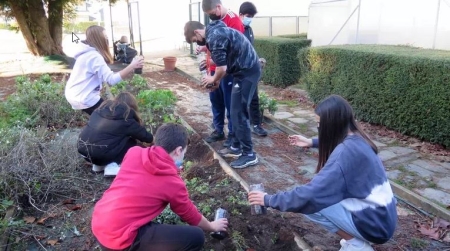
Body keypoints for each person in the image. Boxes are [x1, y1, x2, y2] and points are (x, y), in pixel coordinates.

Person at [248, 95, 398, 251]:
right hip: (382, 216)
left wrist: (269, 200)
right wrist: (311, 142)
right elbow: (336, 139)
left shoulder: (344, 155)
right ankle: (355, 239)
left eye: (320, 124)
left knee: (314, 204)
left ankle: (357, 244)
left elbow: (310, 196)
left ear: (332, 125)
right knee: (320, 198)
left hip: (376, 227)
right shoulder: (358, 138)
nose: (318, 127)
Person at [91, 123, 228, 251]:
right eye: (184, 152)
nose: (183, 156)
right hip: (119, 240)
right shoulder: (172, 182)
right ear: (178, 150)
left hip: (99, 221)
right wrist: (211, 226)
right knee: (197, 236)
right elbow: (189, 214)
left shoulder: (134, 152)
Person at [184, 21, 260, 169]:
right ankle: (237, 147)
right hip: (240, 71)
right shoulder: (214, 31)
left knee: (238, 113)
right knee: (234, 110)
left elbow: (222, 68)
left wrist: (213, 78)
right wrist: (217, 81)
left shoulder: (214, 37)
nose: (198, 43)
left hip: (248, 72)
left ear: (197, 33)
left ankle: (249, 154)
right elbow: (224, 64)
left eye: (195, 40)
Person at [65, 25, 144, 115]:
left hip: (75, 94)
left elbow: (106, 75)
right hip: (83, 97)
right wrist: (132, 66)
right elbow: (111, 79)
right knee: (111, 118)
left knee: (103, 116)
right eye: (105, 37)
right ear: (99, 39)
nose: (107, 40)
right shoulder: (94, 56)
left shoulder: (87, 54)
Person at [198, 0, 245, 146]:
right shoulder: (215, 21)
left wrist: (214, 62)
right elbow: (214, 42)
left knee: (230, 104)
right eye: (208, 15)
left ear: (218, 7)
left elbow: (235, 50)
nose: (211, 17)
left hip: (227, 72)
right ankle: (218, 131)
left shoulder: (233, 20)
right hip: (214, 71)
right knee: (216, 102)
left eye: (211, 14)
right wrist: (205, 49)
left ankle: (232, 134)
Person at [77, 92, 153, 176]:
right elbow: (148, 138)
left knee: (106, 138)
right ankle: (112, 165)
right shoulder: (126, 118)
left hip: (83, 150)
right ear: (132, 105)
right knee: (132, 143)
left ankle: (98, 166)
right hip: (100, 154)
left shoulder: (100, 109)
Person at [239, 1, 268, 137]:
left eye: (252, 16)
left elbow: (250, 49)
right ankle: (241, 127)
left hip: (251, 70)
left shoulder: (249, 30)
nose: (249, 19)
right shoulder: (235, 29)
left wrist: (257, 60)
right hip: (239, 72)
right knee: (240, 101)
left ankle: (256, 125)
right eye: (248, 15)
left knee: (254, 98)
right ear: (240, 15)